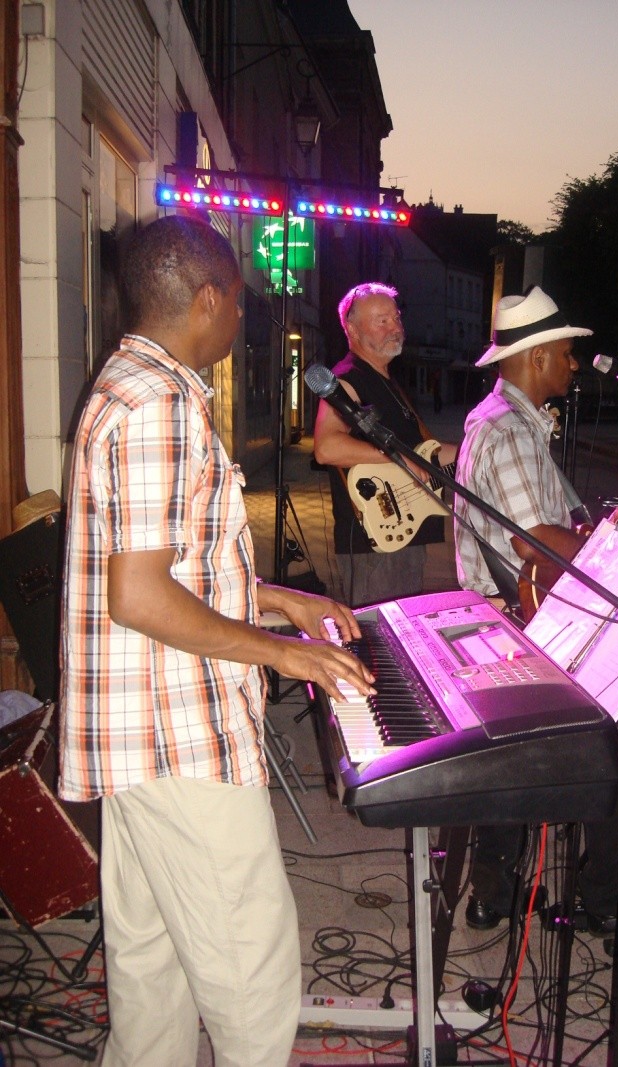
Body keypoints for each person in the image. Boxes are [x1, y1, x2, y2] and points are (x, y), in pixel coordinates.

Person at [58, 214, 376, 1067]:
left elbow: (170, 567)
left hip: (142, 739)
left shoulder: (132, 386)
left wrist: (277, 603)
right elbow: (139, 594)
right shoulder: (157, 404)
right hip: (177, 737)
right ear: (207, 299)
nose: (244, 319)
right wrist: (281, 654)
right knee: (252, 986)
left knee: (152, 980)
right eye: (238, 302)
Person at [454, 287, 618, 937]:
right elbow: (535, 541)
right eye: (564, 353)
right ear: (534, 357)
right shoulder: (506, 431)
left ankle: (495, 889)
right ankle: (607, 897)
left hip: (512, 618)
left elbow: (548, 529)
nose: (571, 364)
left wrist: (596, 535)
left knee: (536, 751)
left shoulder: (506, 423)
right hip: (518, 625)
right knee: (611, 731)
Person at [314, 282, 458, 606]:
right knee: (379, 645)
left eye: (396, 318)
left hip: (407, 531)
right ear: (351, 328)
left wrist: (475, 450)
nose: (395, 327)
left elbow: (427, 452)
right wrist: (397, 459)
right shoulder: (348, 379)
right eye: (382, 320)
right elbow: (327, 448)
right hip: (374, 540)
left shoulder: (388, 382)